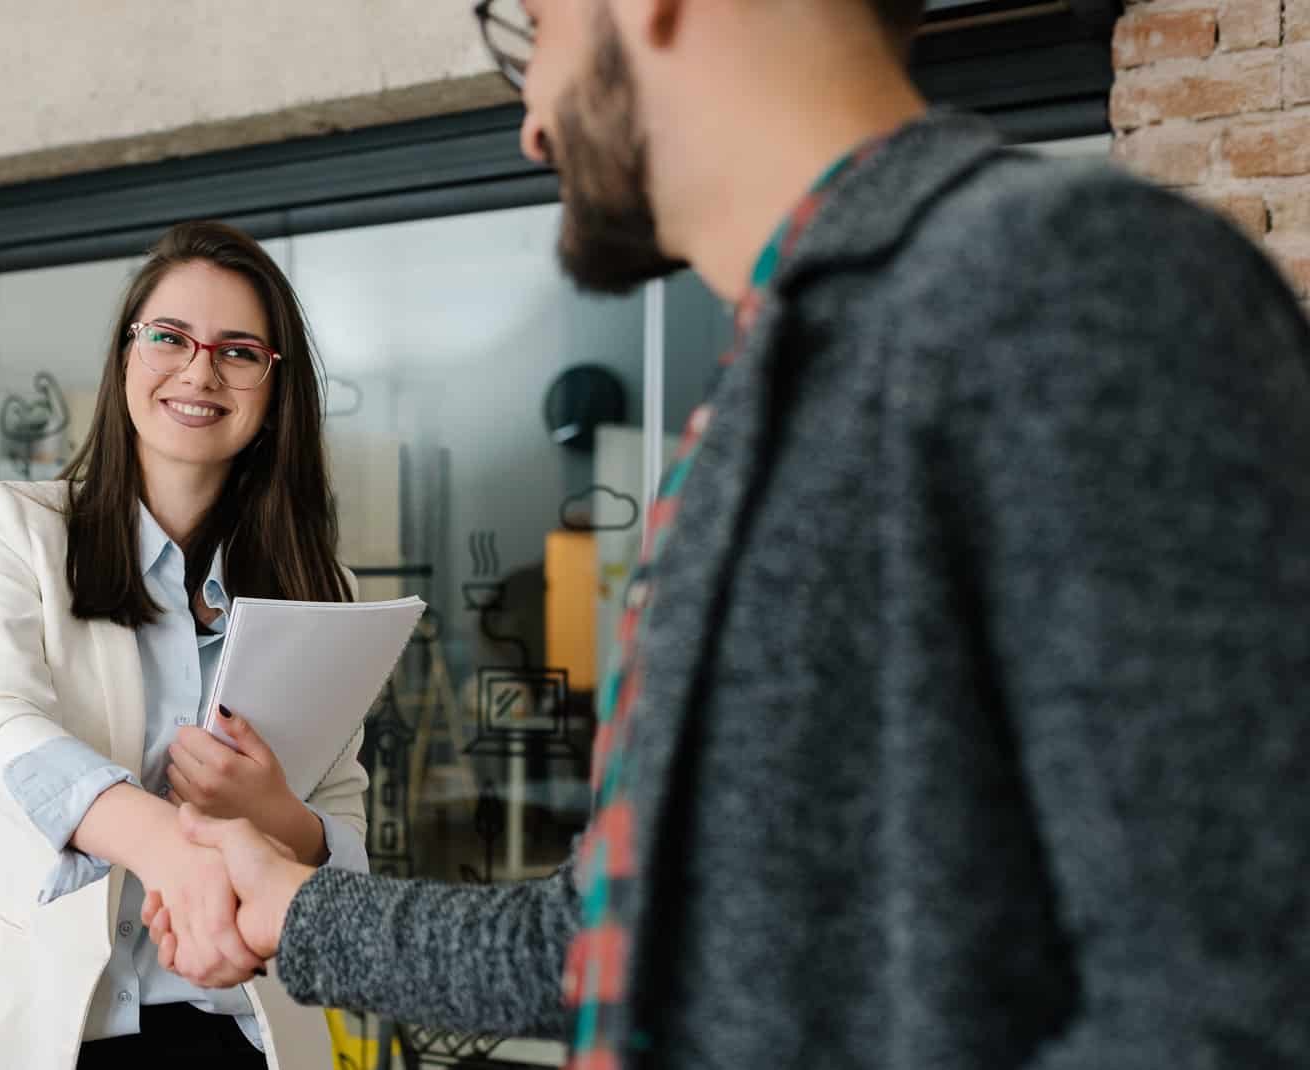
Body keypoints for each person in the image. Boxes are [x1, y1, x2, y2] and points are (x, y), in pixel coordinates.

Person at [145, 0, 1310, 1067]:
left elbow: (1219, 1006)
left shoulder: (1071, 285)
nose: (531, 125)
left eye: (529, 31)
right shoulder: (772, 385)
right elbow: (616, 930)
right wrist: (295, 904)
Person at [0, 221, 373, 1070]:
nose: (199, 370)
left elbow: (346, 837)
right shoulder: (10, 526)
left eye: (240, 351)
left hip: (245, 1032)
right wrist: (162, 843)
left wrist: (277, 812)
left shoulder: (323, 592)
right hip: (40, 1026)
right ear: (126, 354)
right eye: (170, 337)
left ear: (274, 386)